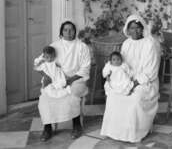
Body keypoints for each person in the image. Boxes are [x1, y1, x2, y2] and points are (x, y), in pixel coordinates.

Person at [100, 14, 160, 143]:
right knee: (113, 95)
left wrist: (135, 83)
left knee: (135, 98)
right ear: (128, 29)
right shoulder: (126, 43)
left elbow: (151, 71)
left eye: (138, 27)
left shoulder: (150, 43)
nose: (135, 30)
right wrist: (113, 75)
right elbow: (121, 64)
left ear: (143, 28)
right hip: (127, 78)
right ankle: (114, 131)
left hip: (146, 81)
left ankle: (134, 133)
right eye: (131, 28)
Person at [37, 21, 91, 141]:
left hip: (76, 78)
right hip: (56, 78)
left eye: (71, 29)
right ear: (61, 31)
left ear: (75, 31)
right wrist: (46, 76)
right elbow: (40, 63)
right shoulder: (54, 45)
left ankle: (76, 124)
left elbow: (85, 68)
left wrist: (70, 80)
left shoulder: (82, 46)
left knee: (73, 93)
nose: (68, 32)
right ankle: (47, 127)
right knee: (45, 96)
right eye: (65, 30)